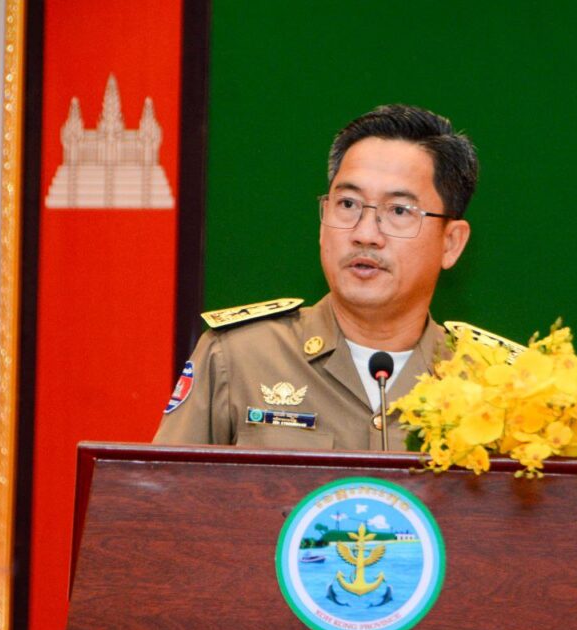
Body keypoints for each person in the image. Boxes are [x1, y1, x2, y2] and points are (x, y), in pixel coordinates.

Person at [153, 104, 479, 450]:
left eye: (399, 210)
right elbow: (163, 485)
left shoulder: (492, 384)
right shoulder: (237, 358)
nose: (365, 234)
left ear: (451, 243)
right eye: (348, 204)